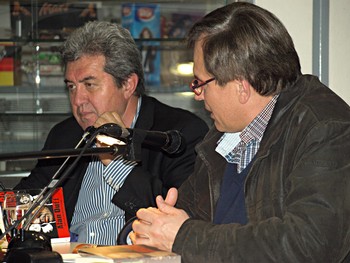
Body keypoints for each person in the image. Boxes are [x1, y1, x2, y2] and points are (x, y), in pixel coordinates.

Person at [131, 2, 350, 262]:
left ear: (241, 87)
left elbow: (308, 244)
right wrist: (149, 228)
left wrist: (184, 237)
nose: (197, 95)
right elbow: (179, 216)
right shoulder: (223, 138)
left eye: (200, 83)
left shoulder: (326, 129)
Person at [14, 21, 209, 245]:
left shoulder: (177, 133)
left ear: (128, 84)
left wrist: (114, 160)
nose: (78, 101)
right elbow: (28, 198)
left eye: (90, 85)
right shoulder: (65, 134)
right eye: (72, 87)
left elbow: (177, 220)